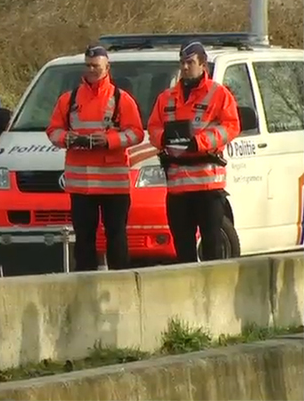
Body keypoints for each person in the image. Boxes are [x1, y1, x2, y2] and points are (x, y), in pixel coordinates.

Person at [45, 46, 144, 271]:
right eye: (88, 65)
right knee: (84, 240)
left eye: (96, 67)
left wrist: (108, 141)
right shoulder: (69, 99)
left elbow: (136, 132)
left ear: (107, 68)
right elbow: (53, 131)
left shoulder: (121, 99)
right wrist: (68, 138)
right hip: (81, 187)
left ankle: (121, 283)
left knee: (117, 237)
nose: (91, 70)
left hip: (114, 185)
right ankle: (85, 285)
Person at [147, 41, 240, 263]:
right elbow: (153, 127)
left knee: (212, 246)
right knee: (183, 249)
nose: (185, 67)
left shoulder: (219, 94)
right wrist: (164, 138)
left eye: (190, 62)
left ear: (202, 64)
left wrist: (199, 142)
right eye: (182, 63)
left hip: (208, 186)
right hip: (178, 188)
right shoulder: (167, 97)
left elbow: (231, 126)